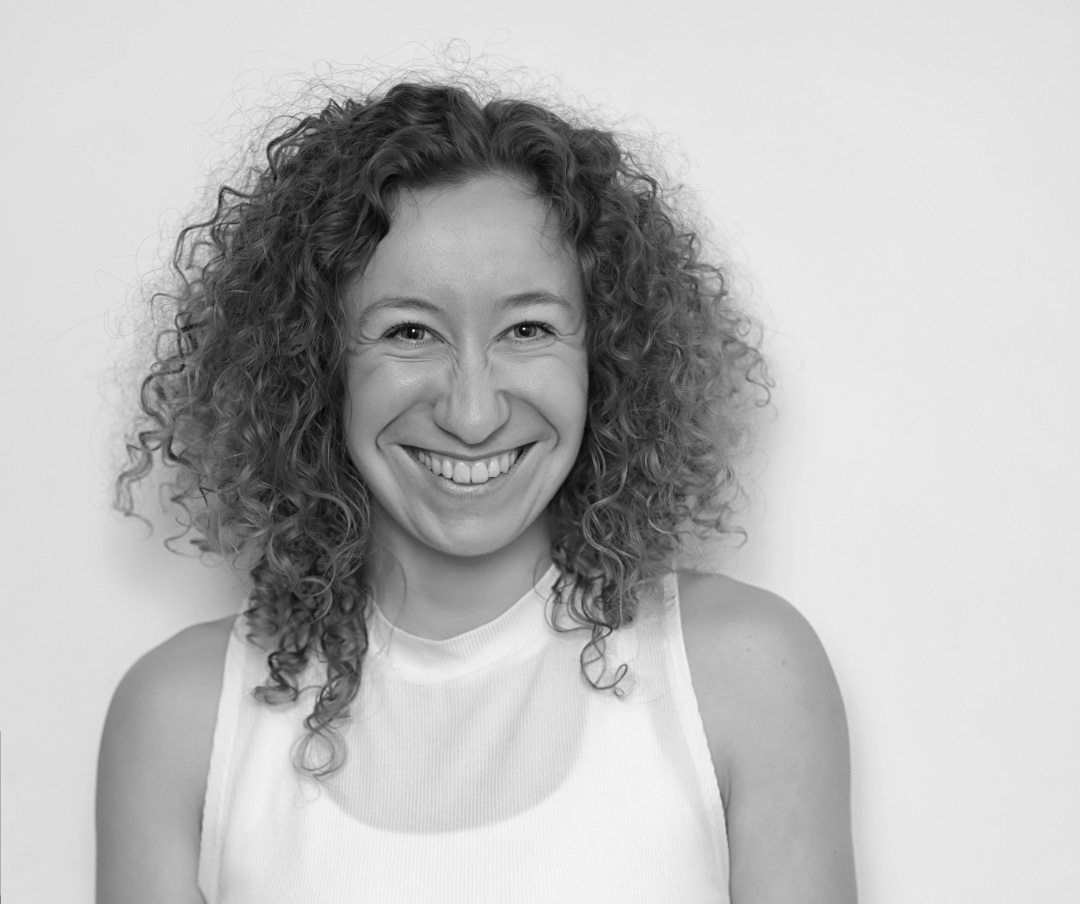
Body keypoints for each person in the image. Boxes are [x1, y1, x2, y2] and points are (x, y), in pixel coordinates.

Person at [97, 75, 857, 903]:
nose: (472, 413)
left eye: (528, 329)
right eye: (409, 332)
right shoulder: (181, 721)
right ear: (314, 364)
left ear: (605, 357)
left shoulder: (743, 673)